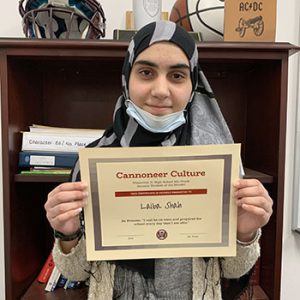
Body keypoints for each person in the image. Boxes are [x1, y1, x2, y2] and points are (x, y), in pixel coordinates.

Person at [44, 20, 273, 299]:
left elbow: (234, 270)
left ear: (192, 84)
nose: (161, 90)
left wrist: (245, 233)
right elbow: (75, 272)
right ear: (127, 77)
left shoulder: (219, 163)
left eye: (177, 76)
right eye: (146, 72)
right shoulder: (93, 163)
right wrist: (67, 234)